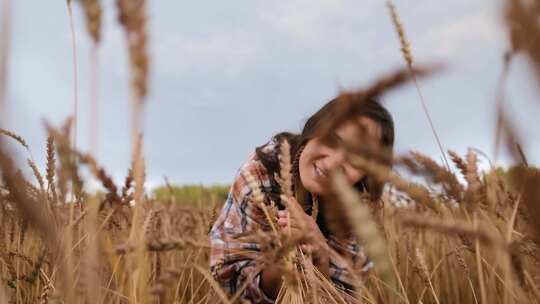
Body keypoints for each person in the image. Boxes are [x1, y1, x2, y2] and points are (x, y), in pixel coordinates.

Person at [209, 96, 395, 303]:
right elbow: (229, 282)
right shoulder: (260, 172)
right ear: (313, 130)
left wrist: (320, 258)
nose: (333, 164)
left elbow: (345, 297)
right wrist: (285, 260)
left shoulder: (361, 212)